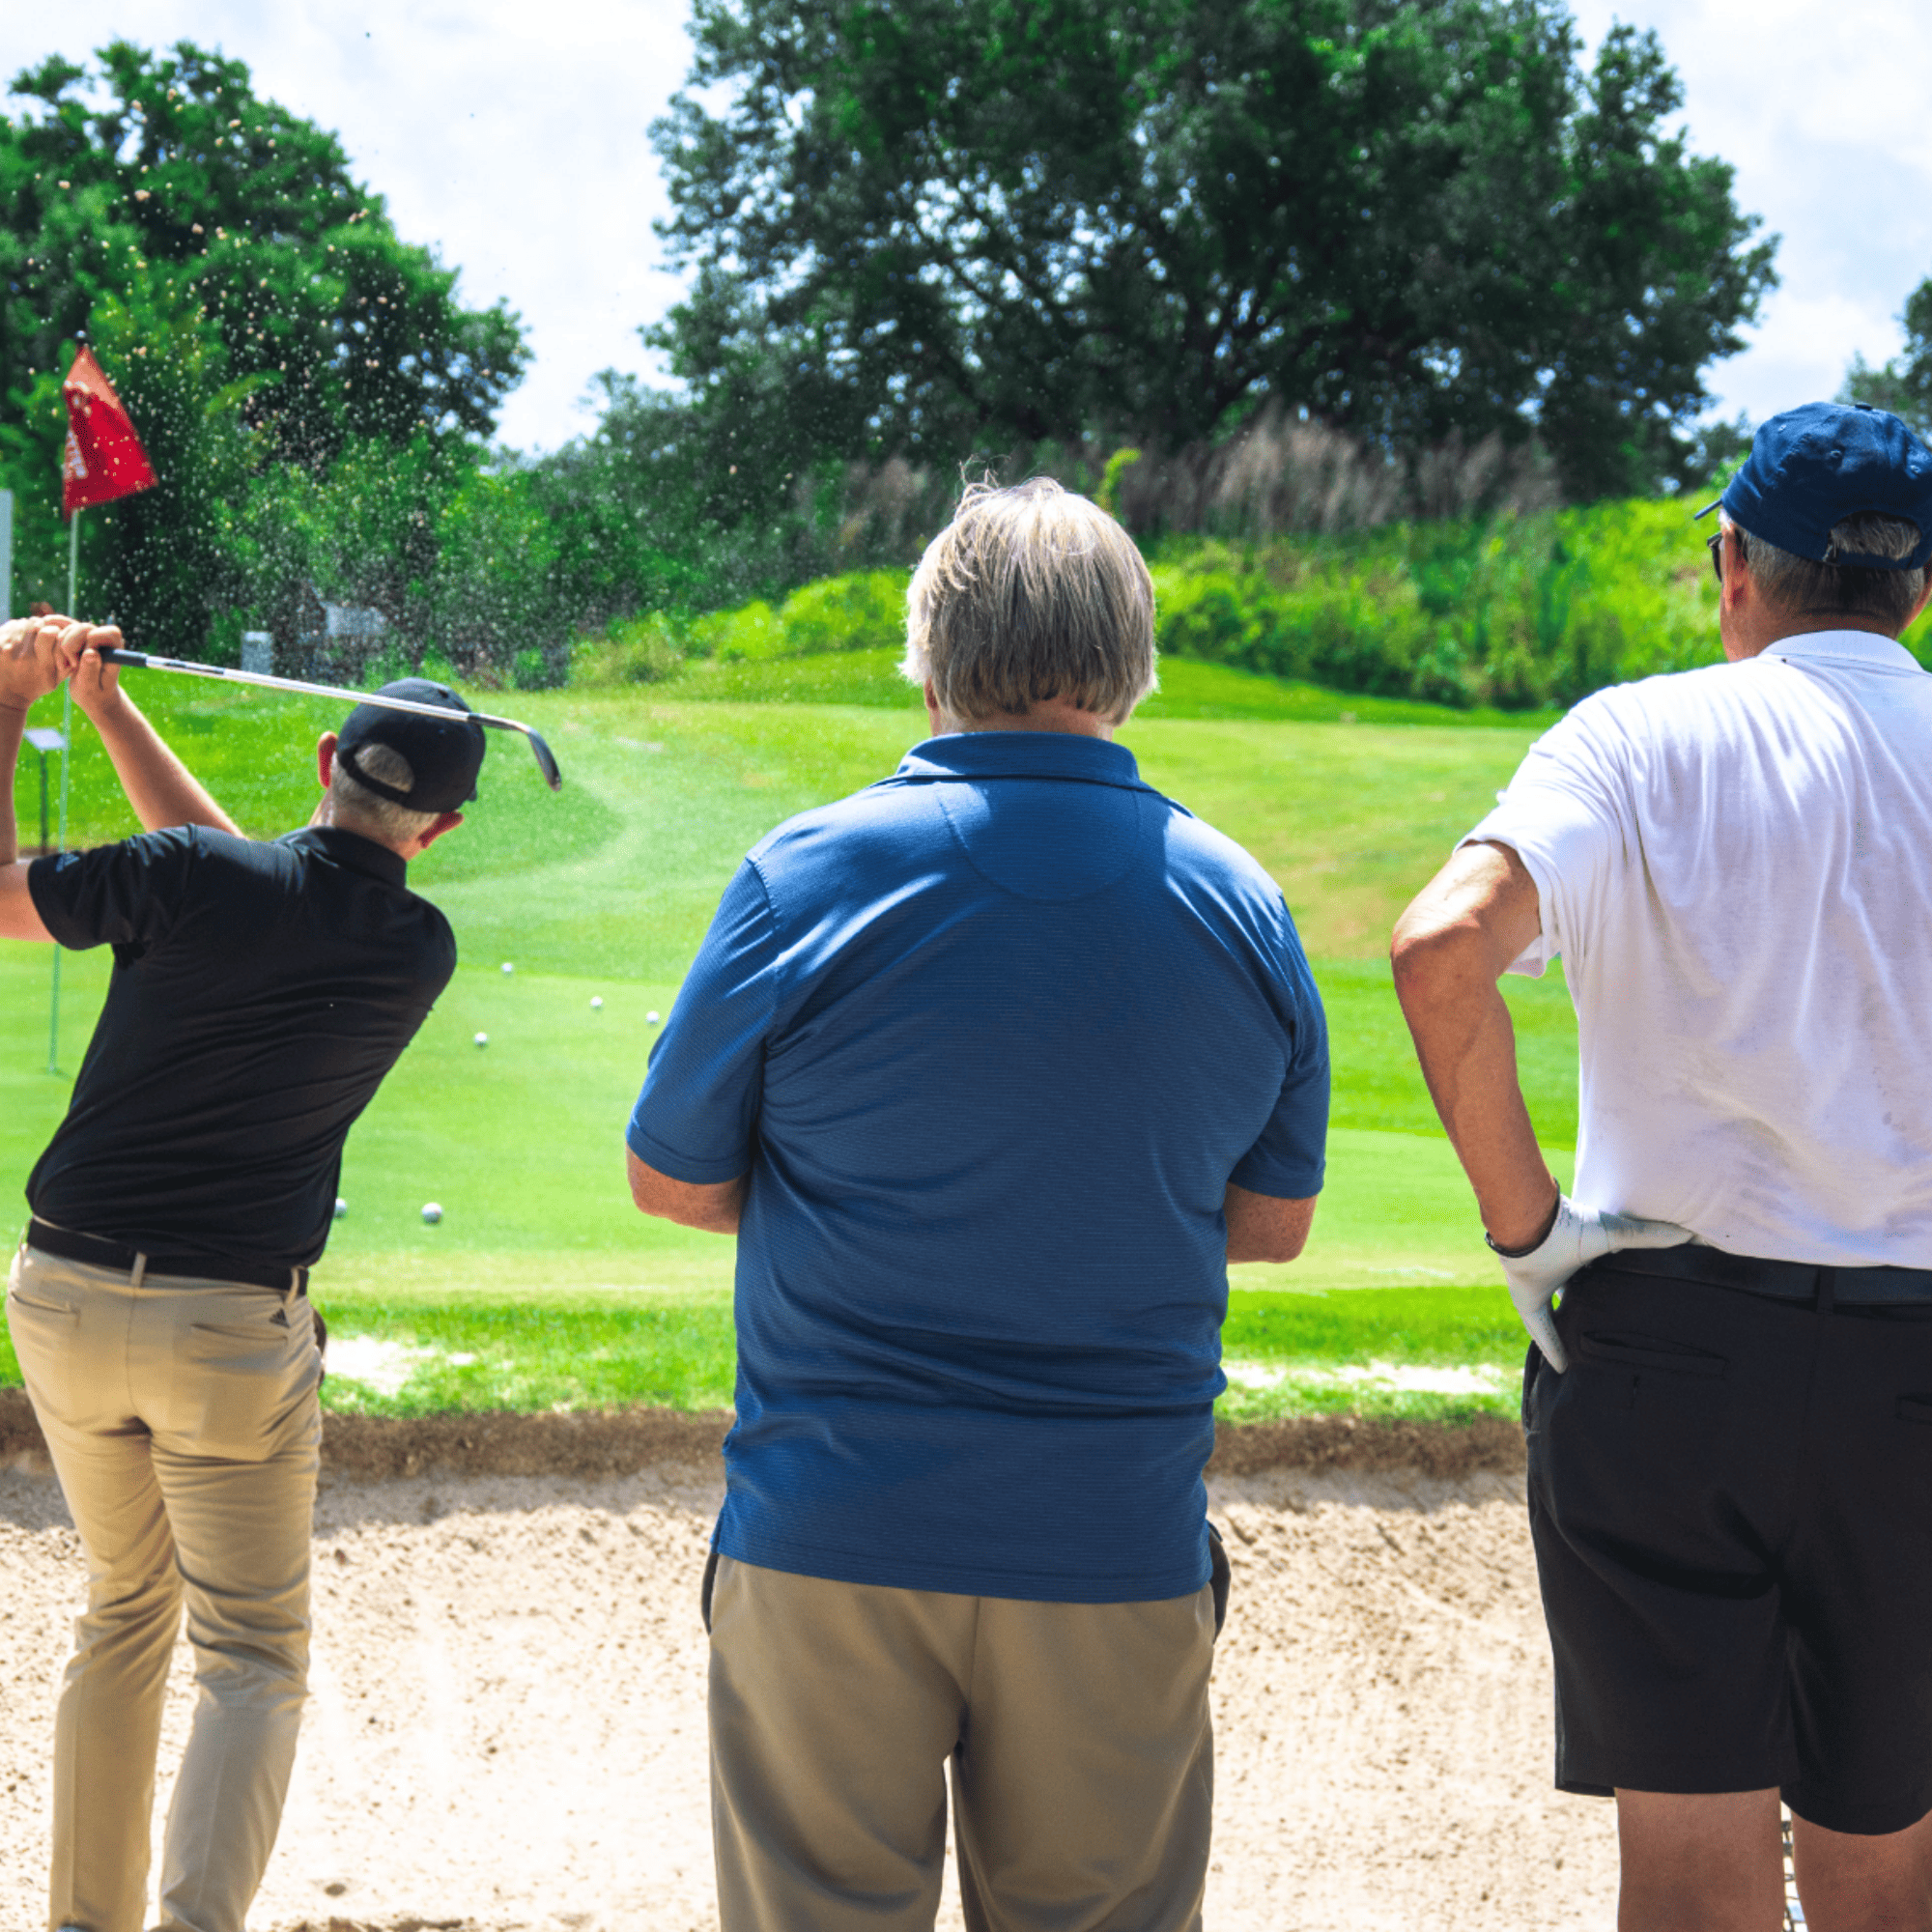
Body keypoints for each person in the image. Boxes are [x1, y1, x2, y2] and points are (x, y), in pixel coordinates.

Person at [625, 478, 1329, 1932]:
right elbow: (1268, 1223)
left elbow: (672, 1178)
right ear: (1132, 665)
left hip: (829, 1531)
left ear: (929, 659)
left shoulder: (800, 874)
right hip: (1114, 1544)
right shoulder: (1245, 903)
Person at [1390, 401, 1932, 1930]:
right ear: (1921, 591)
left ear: (1731, 568)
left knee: (1692, 1873)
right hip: (1916, 1371)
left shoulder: (1633, 736)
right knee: (1892, 1864)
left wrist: (1529, 1235)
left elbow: (1442, 953)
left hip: (1665, 1352)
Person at [0, 615, 484, 1932]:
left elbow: (58, 887)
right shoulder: (416, 950)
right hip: (230, 1338)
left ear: (328, 753)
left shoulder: (193, 882)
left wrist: (11, 699)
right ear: (437, 831)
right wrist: (104, 713)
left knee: (121, 1611)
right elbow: (253, 877)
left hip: (63, 1300)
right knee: (253, 1660)